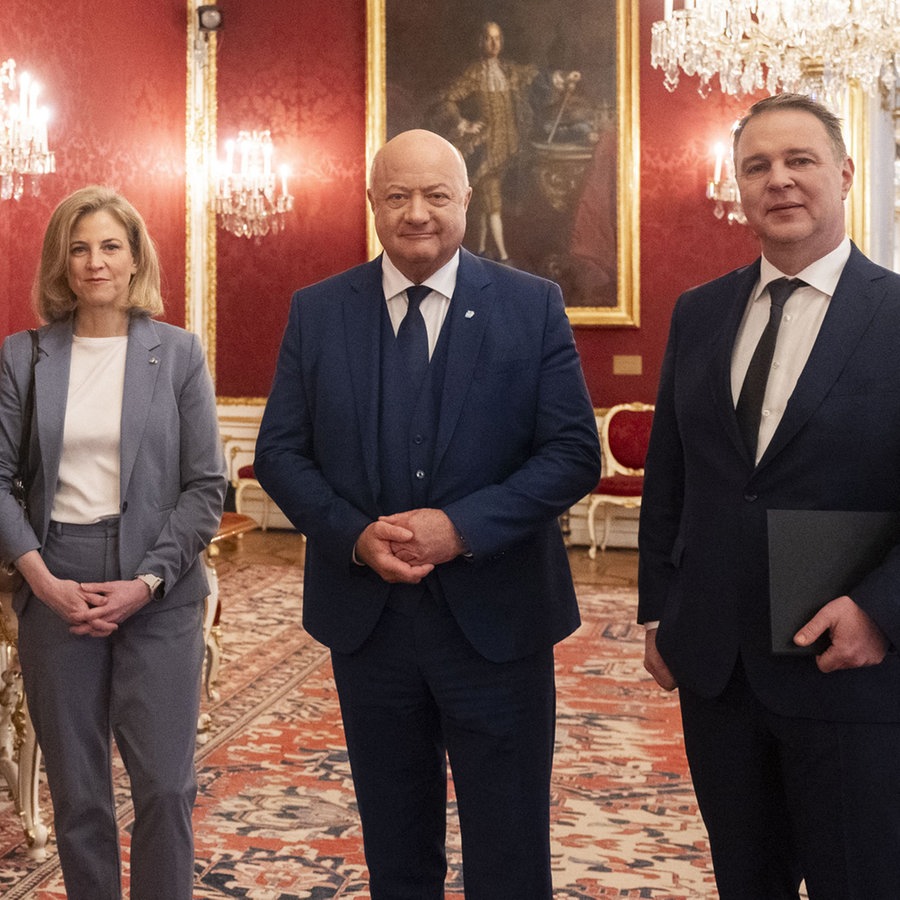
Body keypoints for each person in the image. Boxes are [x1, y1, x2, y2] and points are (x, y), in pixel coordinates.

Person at [254, 129, 601, 898]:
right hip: (369, 625)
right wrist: (351, 535)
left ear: (467, 202)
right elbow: (279, 451)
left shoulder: (530, 305)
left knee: (510, 854)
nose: (418, 213)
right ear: (372, 201)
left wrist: (461, 529)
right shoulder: (317, 312)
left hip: (499, 622)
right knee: (397, 851)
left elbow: (575, 453)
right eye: (398, 195)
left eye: (436, 195)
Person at [638, 93, 900, 899]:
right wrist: (659, 611)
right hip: (717, 669)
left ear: (846, 174)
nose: (779, 180)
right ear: (738, 187)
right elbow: (671, 476)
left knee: (860, 879)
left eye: (800, 161)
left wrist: (881, 612)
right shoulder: (700, 312)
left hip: (848, 666)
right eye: (757, 166)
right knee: (745, 880)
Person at [0, 186, 227, 899]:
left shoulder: (179, 353)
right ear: (60, 263)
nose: (94, 262)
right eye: (78, 247)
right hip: (55, 578)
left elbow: (204, 487)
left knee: (164, 785)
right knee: (80, 796)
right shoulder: (23, 356)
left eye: (109, 246)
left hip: (156, 587)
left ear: (135, 259)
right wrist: (39, 579)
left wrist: (148, 581)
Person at [433, 21, 540, 264]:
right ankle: (503, 256)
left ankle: (480, 250)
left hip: (511, 144)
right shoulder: (475, 73)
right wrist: (464, 123)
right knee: (492, 198)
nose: (494, 44)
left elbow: (534, 76)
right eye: (489, 39)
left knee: (486, 198)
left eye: (498, 38)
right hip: (488, 148)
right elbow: (448, 98)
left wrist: (561, 77)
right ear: (481, 42)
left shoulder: (509, 70)